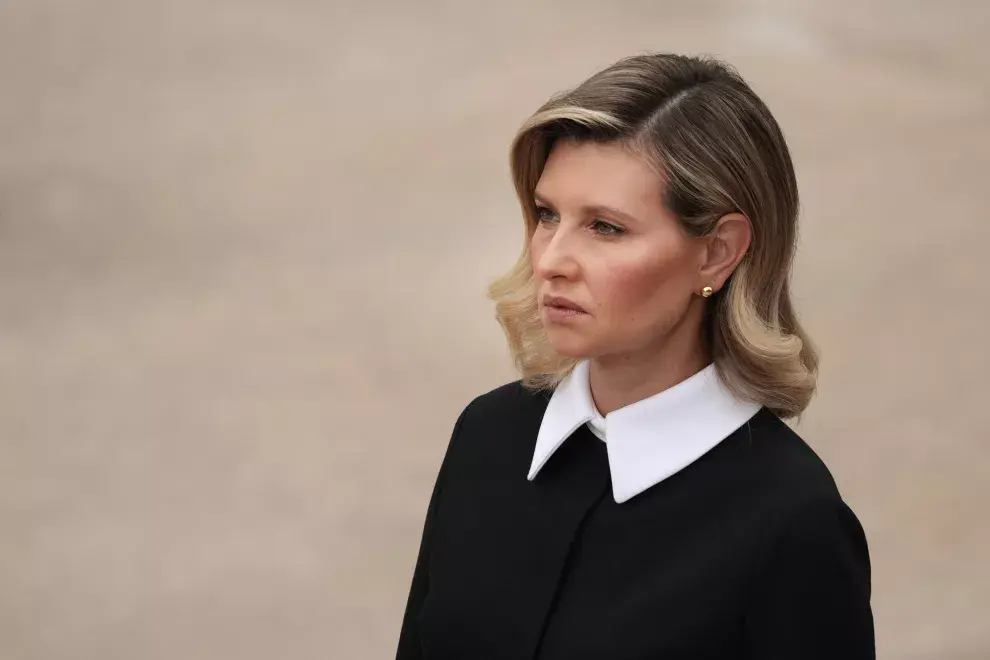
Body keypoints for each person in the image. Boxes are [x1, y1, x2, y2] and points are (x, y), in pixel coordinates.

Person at [395, 53, 874, 659]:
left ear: (717, 252)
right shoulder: (487, 436)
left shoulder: (792, 524)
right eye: (548, 215)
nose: (550, 261)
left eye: (605, 227)